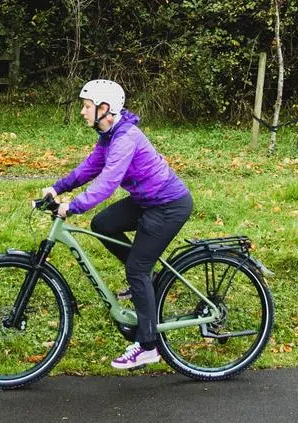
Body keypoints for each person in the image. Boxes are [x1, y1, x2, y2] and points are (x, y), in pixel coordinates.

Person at [42, 79, 193, 369]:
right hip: (147, 200)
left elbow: (109, 182)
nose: (83, 112)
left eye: (87, 107)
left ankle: (148, 345)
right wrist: (57, 188)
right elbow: (89, 168)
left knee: (136, 268)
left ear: (105, 109)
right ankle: (144, 277)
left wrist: (72, 207)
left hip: (168, 205)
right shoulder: (109, 135)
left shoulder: (125, 138)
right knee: (103, 224)